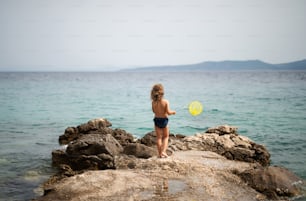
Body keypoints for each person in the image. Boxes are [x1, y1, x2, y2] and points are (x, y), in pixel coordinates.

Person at [151, 84, 176, 158]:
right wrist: (173, 112)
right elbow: (168, 112)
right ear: (162, 92)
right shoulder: (165, 102)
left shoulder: (153, 102)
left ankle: (159, 154)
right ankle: (163, 152)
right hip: (164, 120)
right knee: (165, 137)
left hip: (156, 120)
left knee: (158, 137)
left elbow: (153, 111)